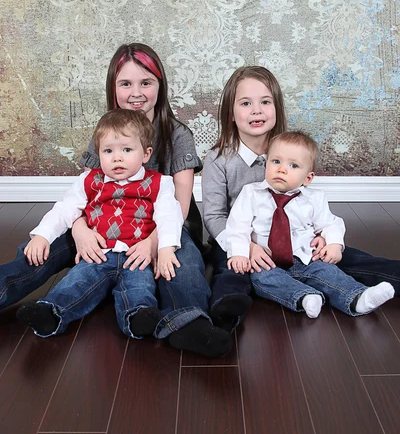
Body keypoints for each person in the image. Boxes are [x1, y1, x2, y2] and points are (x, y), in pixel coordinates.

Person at [0, 43, 231, 357]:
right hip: (103, 225)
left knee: (182, 266)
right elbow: (82, 193)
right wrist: (81, 231)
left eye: (146, 83)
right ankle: (5, 287)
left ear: (160, 87)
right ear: (114, 88)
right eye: (126, 84)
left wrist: (154, 243)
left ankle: (187, 323)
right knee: (46, 246)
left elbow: (180, 201)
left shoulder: (176, 134)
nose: (136, 92)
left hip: (165, 229)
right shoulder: (107, 132)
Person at [202, 66, 400, 331]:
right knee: (232, 272)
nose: (256, 110)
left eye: (265, 102)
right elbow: (215, 216)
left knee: (342, 258)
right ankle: (227, 313)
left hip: (296, 238)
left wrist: (326, 240)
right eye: (246, 103)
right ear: (231, 113)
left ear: (277, 108)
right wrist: (247, 247)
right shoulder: (218, 160)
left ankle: (382, 279)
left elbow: (311, 206)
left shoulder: (291, 153)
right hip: (237, 237)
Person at [16, 109, 184, 337]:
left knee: (138, 288)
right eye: (108, 151)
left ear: (146, 154)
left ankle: (138, 318)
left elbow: (169, 215)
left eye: (127, 149)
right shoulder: (89, 180)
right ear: (99, 154)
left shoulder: (159, 183)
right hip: (98, 254)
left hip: (136, 255)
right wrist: (42, 236)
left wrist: (165, 248)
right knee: (75, 283)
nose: (117, 157)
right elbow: (65, 209)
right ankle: (51, 313)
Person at [226, 131, 395, 317]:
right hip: (267, 259)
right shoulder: (251, 194)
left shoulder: (314, 198)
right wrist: (240, 253)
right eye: (276, 161)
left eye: (293, 165)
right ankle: (305, 297)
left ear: (308, 178)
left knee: (329, 272)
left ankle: (357, 297)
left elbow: (331, 224)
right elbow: (237, 227)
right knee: (262, 280)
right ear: (266, 163)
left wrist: (333, 244)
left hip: (305, 257)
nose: (282, 169)